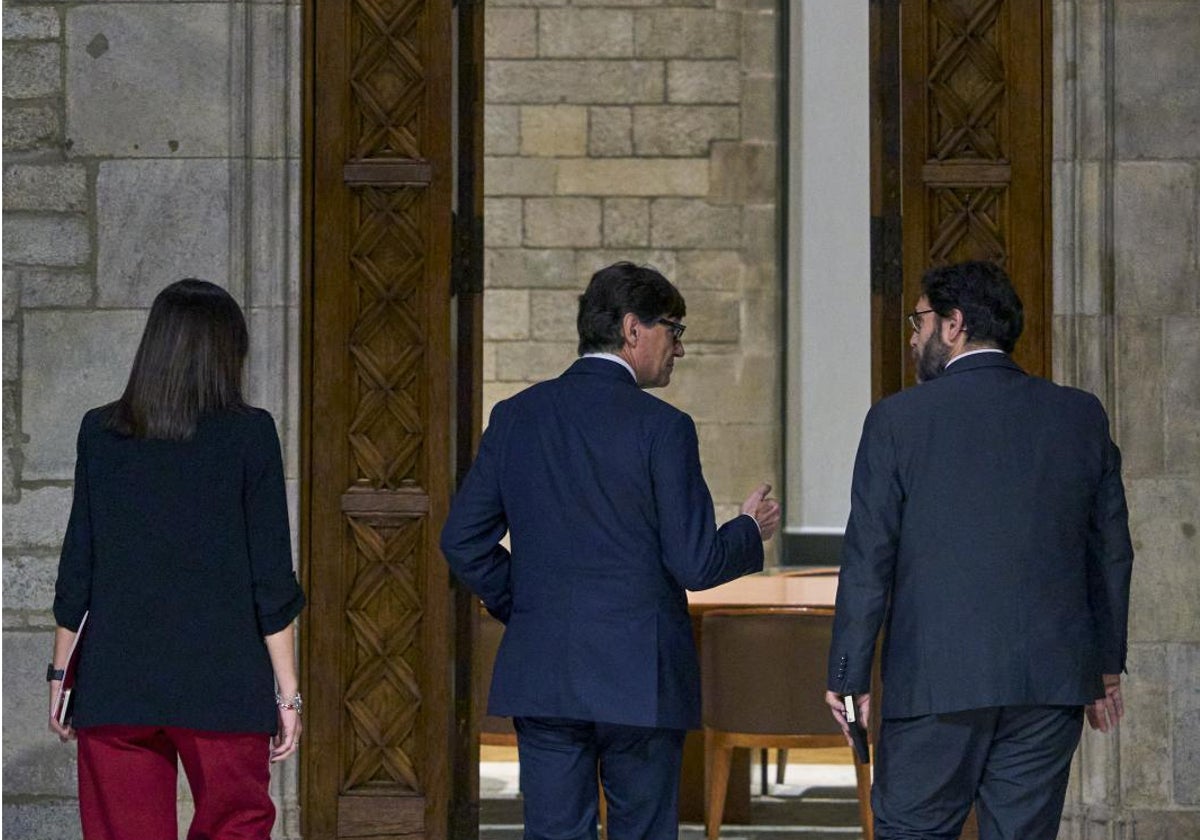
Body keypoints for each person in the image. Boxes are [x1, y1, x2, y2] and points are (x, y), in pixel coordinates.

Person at [441, 262, 781, 840]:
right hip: (639, 677)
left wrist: (526, 603)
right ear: (632, 329)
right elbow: (695, 562)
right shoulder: (664, 428)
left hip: (546, 670)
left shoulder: (516, 416)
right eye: (673, 330)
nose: (679, 348)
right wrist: (749, 529)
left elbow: (462, 541)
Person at [825, 261, 1134, 840]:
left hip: (934, 680)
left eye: (919, 322)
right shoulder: (1079, 415)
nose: (913, 337)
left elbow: (869, 558)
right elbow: (1111, 551)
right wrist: (1106, 666)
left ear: (954, 324)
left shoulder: (897, 420)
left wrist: (850, 674)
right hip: (1049, 681)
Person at [49, 279, 307, 840]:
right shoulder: (250, 434)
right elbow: (271, 578)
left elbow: (79, 564)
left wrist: (60, 673)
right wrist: (287, 693)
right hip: (225, 682)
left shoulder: (101, 431)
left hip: (117, 680)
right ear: (226, 352)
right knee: (235, 827)